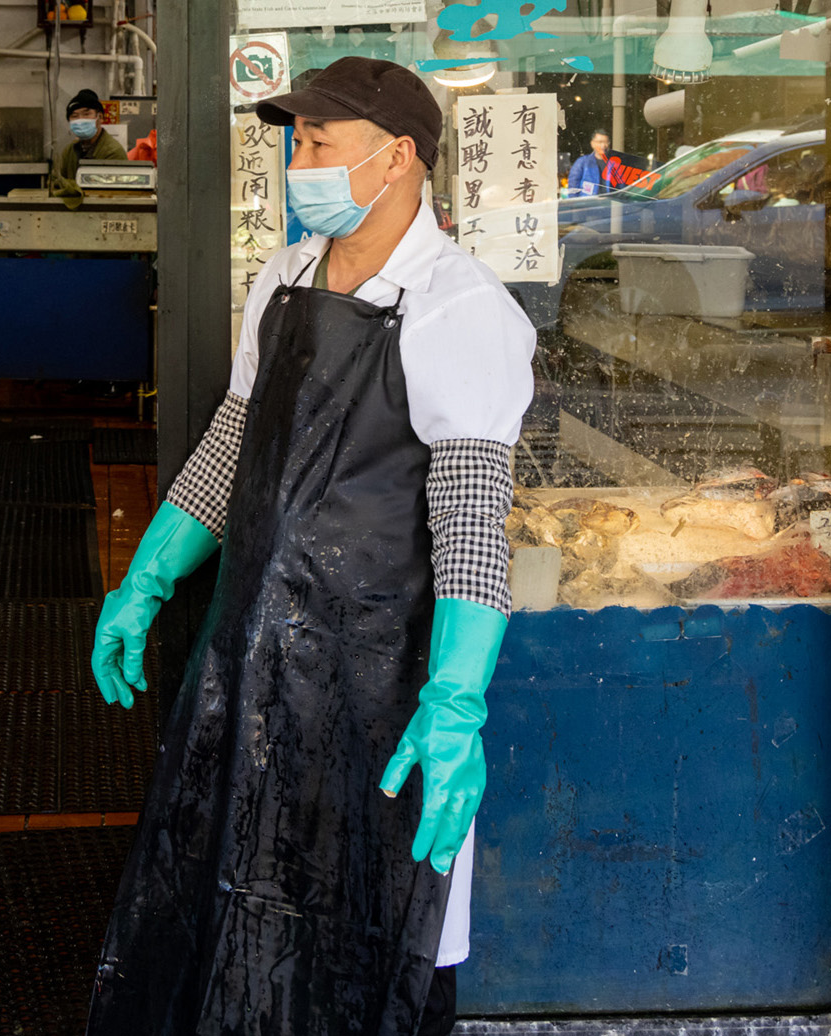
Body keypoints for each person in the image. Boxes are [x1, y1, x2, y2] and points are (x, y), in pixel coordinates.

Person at [87, 56, 536, 1036]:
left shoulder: (457, 310)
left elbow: (469, 526)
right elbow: (227, 449)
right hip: (253, 669)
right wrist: (146, 580)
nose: (301, 161)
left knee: (377, 928)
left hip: (376, 690)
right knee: (236, 907)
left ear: (397, 160)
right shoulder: (282, 280)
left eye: (321, 143)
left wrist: (453, 703)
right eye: (294, 142)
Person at [52, 88, 128, 201]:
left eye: (86, 114)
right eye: (74, 116)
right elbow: (57, 182)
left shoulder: (113, 152)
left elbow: (114, 194)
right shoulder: (69, 150)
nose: (80, 120)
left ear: (100, 117)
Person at [566, 129, 649, 195]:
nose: (603, 145)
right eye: (600, 142)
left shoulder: (615, 165)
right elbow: (573, 187)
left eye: (606, 142)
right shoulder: (582, 162)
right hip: (587, 206)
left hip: (607, 207)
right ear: (592, 144)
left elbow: (621, 187)